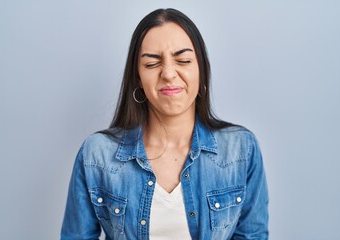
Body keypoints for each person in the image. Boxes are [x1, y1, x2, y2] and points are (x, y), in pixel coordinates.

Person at [61, 8, 269, 240]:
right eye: (152, 64)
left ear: (201, 70)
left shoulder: (241, 149)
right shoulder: (97, 154)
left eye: (183, 60)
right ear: (137, 77)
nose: (169, 73)